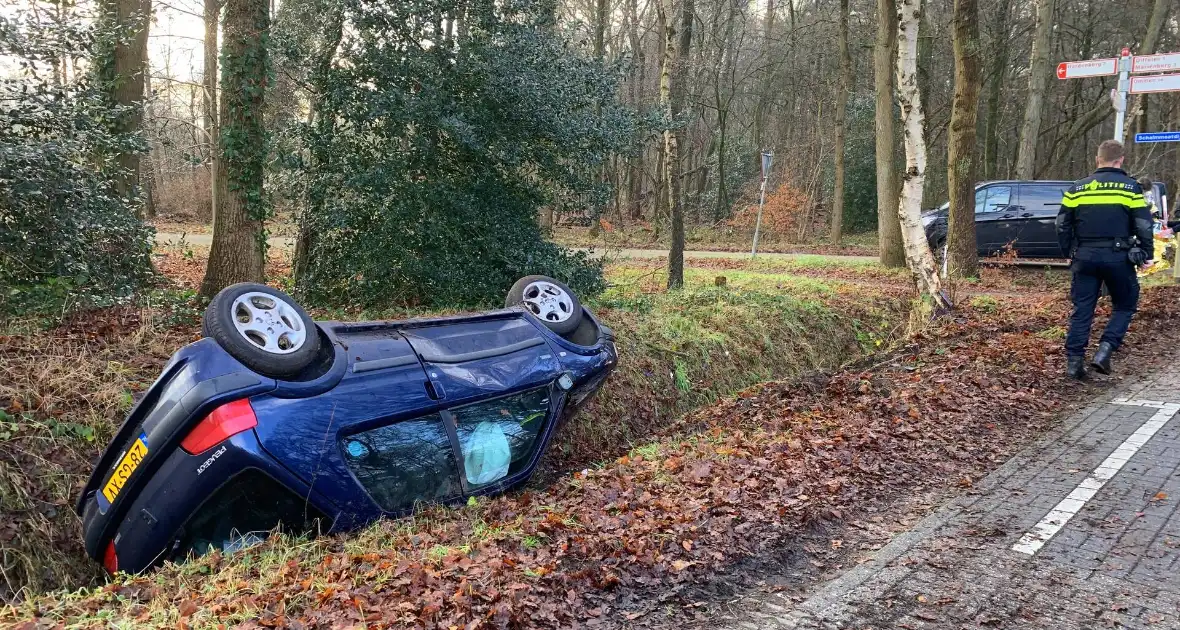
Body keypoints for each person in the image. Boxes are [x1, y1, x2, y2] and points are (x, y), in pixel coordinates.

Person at [1056, 139, 1153, 379]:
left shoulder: (1077, 188)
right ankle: (1105, 350)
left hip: (1085, 256)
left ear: (1097, 159)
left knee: (1082, 308)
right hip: (1118, 257)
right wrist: (1147, 254)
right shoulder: (1130, 189)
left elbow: (1061, 224)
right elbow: (1143, 224)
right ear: (1121, 161)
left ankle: (1074, 364)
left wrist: (1068, 251)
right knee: (1125, 304)